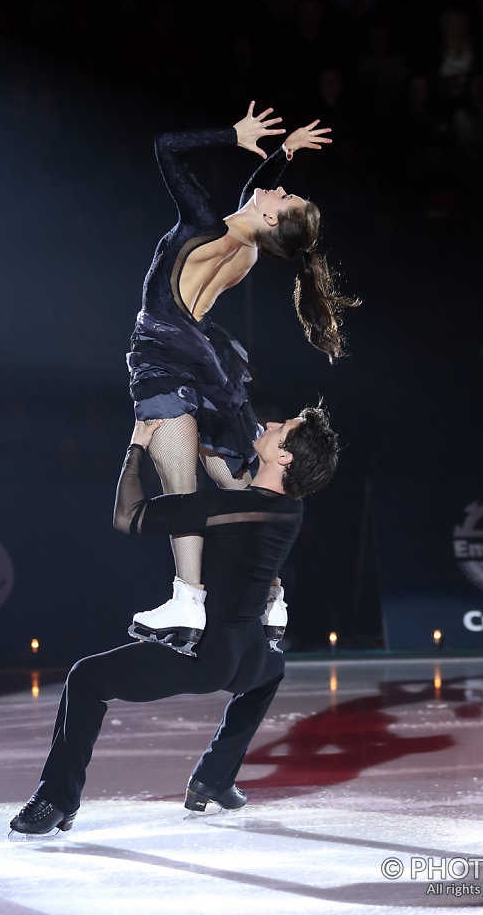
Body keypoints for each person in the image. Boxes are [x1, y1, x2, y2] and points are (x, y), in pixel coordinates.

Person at [9, 404, 339, 836]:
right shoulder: (291, 512)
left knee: (85, 680)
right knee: (273, 671)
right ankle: (214, 778)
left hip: (209, 658)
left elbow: (127, 516)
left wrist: (137, 445)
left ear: (285, 457)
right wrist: (207, 434)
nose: (273, 424)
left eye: (282, 429)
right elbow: (236, 480)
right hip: (252, 657)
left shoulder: (227, 509)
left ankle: (56, 799)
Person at [127, 102, 356, 654]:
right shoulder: (247, 250)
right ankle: (272, 596)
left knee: (181, 488)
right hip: (205, 357)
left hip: (164, 352)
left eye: (284, 196)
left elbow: (165, 147)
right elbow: (254, 205)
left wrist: (231, 134)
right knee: (236, 481)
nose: (277, 191)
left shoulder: (205, 227)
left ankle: (188, 601)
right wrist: (279, 155)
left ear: (274, 219)